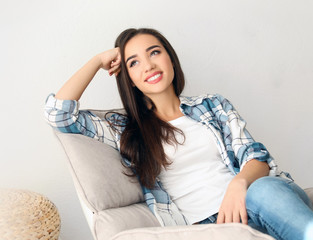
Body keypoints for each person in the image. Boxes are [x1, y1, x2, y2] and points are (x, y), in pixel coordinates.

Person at [44, 28, 313, 240]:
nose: (148, 65)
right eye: (134, 62)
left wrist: (238, 184)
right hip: (208, 229)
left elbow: (255, 157)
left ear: (170, 58)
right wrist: (97, 60)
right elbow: (59, 115)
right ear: (127, 77)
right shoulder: (123, 128)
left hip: (259, 200)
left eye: (154, 52)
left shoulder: (212, 105)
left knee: (264, 190)